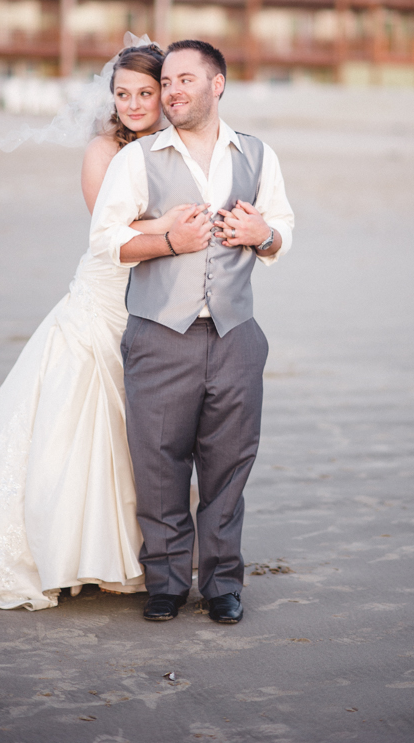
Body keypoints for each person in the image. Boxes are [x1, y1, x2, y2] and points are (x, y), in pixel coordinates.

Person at [0, 42, 182, 611]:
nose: (132, 104)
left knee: (140, 430)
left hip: (157, 305)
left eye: (144, 93)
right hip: (102, 299)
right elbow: (107, 225)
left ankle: (128, 552)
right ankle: (64, 554)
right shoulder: (103, 149)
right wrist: (170, 222)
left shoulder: (176, 149)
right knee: (74, 420)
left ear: (165, 94)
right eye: (122, 94)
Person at [91, 39, 294, 624]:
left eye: (185, 80)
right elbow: (106, 240)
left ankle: (224, 583)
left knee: (229, 466)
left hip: (236, 335)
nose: (172, 91)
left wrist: (262, 234)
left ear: (217, 84)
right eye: (168, 82)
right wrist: (167, 241)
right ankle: (166, 582)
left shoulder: (259, 155)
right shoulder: (138, 160)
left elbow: (281, 232)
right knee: (158, 465)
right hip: (158, 334)